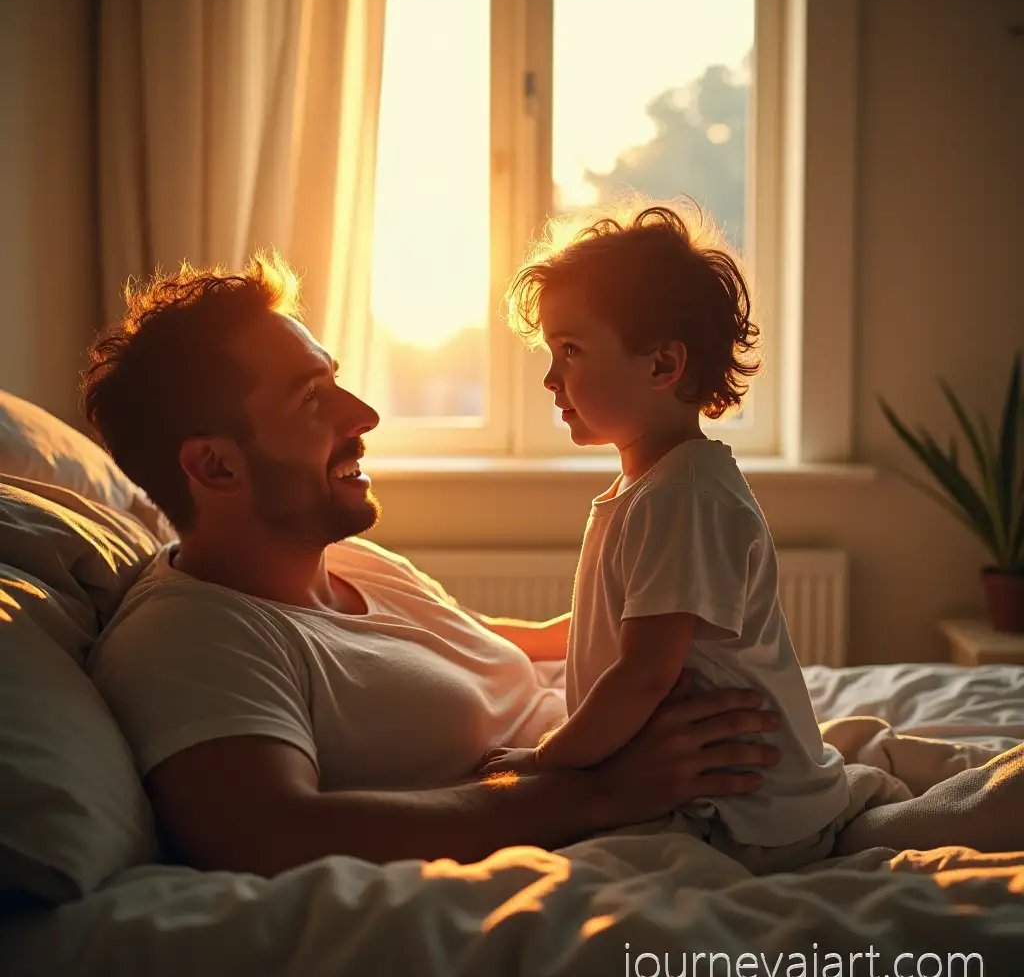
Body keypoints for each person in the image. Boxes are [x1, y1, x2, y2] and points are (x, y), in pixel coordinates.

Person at [81, 251, 782, 877]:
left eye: (336, 380)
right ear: (215, 465)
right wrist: (604, 791)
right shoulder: (192, 641)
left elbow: (492, 642)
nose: (364, 415)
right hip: (642, 815)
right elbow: (274, 834)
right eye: (312, 398)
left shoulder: (349, 561)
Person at [480, 200, 850, 874]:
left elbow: (645, 671)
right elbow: (620, 625)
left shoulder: (681, 498)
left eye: (571, 350)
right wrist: (497, 633)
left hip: (742, 815)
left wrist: (547, 760)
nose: (551, 378)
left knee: (546, 867)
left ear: (662, 365)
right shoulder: (656, 486)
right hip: (719, 797)